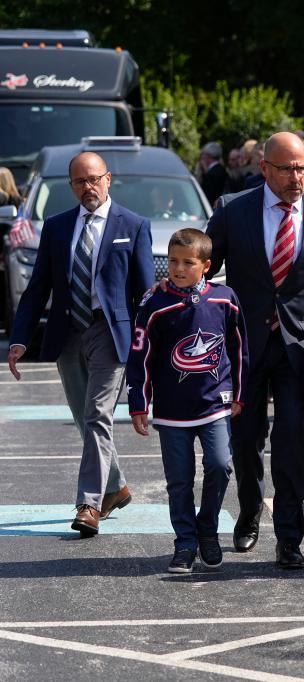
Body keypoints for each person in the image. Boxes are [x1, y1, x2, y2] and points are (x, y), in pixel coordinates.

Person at [205, 131, 304, 569]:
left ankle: (290, 535)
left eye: (302, 167)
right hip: (244, 347)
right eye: (285, 168)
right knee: (245, 442)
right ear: (264, 168)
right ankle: (249, 513)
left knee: (292, 441)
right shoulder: (233, 210)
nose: (295, 177)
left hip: (297, 349)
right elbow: (206, 268)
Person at [7, 151, 154, 535]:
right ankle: (116, 487)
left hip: (111, 332)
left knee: (97, 416)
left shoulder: (134, 225)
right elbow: (38, 287)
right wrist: (20, 338)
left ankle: (88, 505)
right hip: (68, 332)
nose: (87, 188)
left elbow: (143, 292)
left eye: (93, 179)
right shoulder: (56, 227)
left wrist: (148, 343)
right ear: (71, 186)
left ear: (108, 180)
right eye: (79, 182)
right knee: (83, 418)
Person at [127, 228, 248, 573]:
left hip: (215, 404)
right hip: (172, 410)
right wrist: (139, 402)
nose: (179, 269)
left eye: (188, 263)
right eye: (174, 262)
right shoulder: (153, 303)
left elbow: (240, 350)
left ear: (206, 265)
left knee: (221, 464)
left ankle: (207, 528)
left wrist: (238, 393)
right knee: (179, 480)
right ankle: (185, 542)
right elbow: (140, 356)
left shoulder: (225, 298)